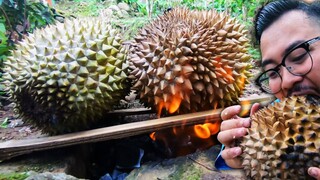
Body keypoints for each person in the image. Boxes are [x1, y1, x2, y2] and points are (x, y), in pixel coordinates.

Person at [216, 0, 320, 179]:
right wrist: (240, 147)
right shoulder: (286, 114)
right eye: (272, 72)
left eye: (299, 56)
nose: (286, 81)